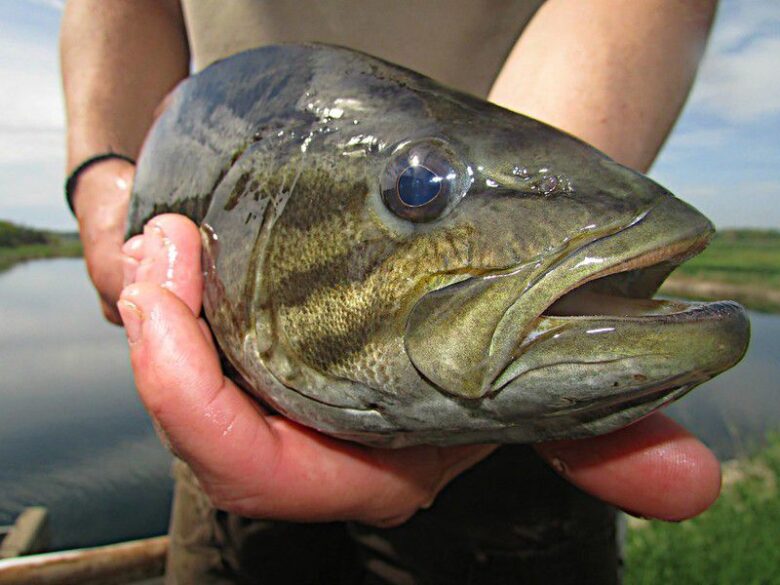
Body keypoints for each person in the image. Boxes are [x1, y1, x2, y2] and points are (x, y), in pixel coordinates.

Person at [61, 1, 720, 582]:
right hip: (227, 437)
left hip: (518, 476)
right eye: (416, 190)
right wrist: (100, 182)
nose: (418, 192)